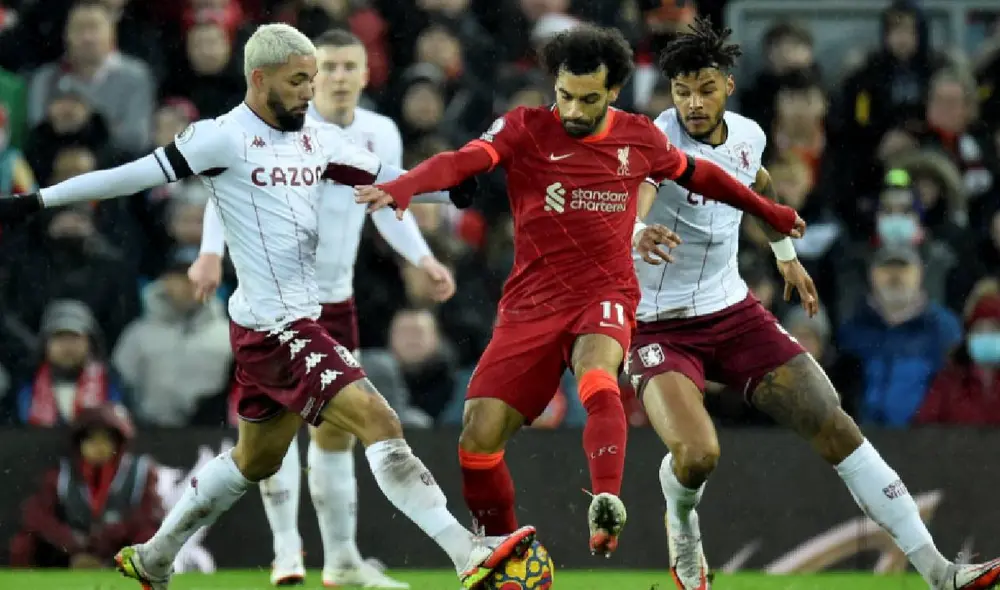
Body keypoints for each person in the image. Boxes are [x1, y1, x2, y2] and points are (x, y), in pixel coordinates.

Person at [0, 23, 534, 590]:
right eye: (298, 80)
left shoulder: (318, 139)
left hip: (286, 323)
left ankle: (155, 556)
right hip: (277, 327)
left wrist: (450, 184)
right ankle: (466, 553)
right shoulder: (220, 137)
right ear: (260, 78)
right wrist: (38, 200)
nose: (310, 91)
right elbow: (129, 176)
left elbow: (386, 178)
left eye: (312, 78)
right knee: (380, 420)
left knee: (254, 460)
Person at [355, 24, 804, 557]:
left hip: (605, 293)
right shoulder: (525, 127)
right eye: (565, 95)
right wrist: (408, 184)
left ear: (613, 91)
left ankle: (605, 501)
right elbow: (462, 161)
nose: (572, 109)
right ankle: (504, 553)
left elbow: (702, 175)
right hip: (530, 304)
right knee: (477, 436)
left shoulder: (639, 137)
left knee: (597, 373)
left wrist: (768, 210)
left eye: (588, 99)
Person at [629, 18, 1000, 590]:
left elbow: (758, 181)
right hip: (659, 325)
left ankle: (938, 571)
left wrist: (785, 255)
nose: (693, 104)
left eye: (705, 89)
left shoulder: (749, 134)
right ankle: (682, 524)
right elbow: (641, 189)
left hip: (732, 312)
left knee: (833, 422)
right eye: (682, 92)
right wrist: (635, 231)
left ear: (728, 86)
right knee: (697, 456)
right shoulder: (658, 139)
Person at [189, 28, 450, 588]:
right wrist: (210, 253)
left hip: (336, 301)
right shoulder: (269, 128)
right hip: (275, 306)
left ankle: (341, 560)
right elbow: (225, 190)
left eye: (348, 67)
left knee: (336, 433)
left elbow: (389, 201)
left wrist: (424, 258)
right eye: (326, 67)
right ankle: (286, 551)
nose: (336, 77)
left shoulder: (380, 132)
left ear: (365, 74)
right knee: (276, 429)